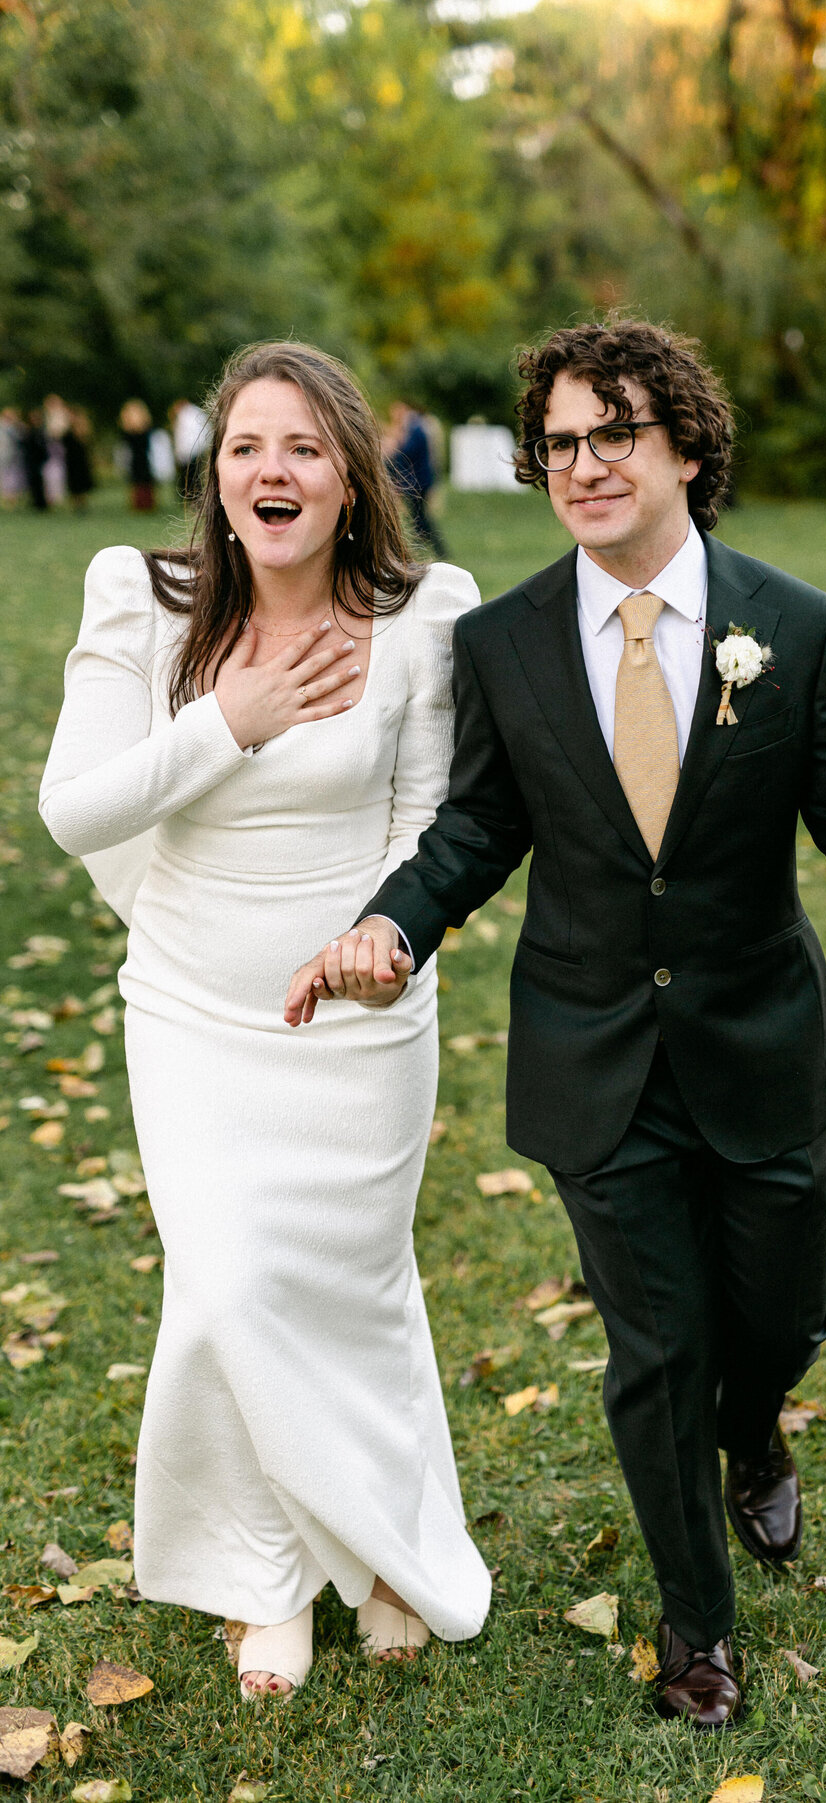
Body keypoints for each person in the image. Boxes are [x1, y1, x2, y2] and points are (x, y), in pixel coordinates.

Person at [284, 316, 826, 1729]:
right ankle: (698, 1627)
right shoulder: (506, 639)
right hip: (595, 1052)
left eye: (617, 433)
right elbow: (481, 820)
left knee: (777, 1317)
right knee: (656, 1344)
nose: (586, 464)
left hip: (760, 1044)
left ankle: (761, 1422)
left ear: (686, 447)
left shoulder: (793, 626)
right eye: (562, 443)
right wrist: (395, 924)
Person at [41, 340, 490, 1702]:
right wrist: (225, 719)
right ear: (217, 473)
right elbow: (76, 808)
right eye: (247, 445)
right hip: (190, 1013)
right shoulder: (148, 597)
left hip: (357, 1022)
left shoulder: (426, 613)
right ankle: (260, 1573)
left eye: (303, 447)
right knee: (225, 1291)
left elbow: (428, 818)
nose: (272, 469)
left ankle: (391, 1548)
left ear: (352, 479)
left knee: (356, 1290)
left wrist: (389, 944)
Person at [384, 399, 446, 557]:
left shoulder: (416, 428)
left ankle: (436, 549)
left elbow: (407, 451)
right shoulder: (414, 426)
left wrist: (395, 445)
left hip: (420, 481)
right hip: (417, 480)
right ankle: (422, 548)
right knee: (418, 516)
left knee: (421, 517)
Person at [170, 397, 212, 500]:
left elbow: (184, 437)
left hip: (191, 452)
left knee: (191, 476)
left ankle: (190, 496)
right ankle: (191, 496)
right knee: (192, 476)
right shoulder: (194, 413)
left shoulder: (186, 416)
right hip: (194, 450)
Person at [119, 398, 156, 511]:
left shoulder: (145, 429)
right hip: (135, 459)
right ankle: (139, 504)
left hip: (143, 458)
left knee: (145, 480)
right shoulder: (129, 431)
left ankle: (147, 503)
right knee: (136, 481)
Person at [62, 408, 95, 513]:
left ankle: (81, 503)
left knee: (80, 483)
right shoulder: (67, 432)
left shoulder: (82, 431)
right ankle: (76, 504)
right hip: (71, 461)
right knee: (73, 484)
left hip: (80, 461)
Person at [20, 408, 48, 511]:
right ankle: (36, 502)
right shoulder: (29, 432)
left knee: (39, 482)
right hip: (31, 460)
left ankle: (41, 503)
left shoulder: (39, 432)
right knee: (33, 482)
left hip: (38, 460)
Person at [0, 407, 26, 509]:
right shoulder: (2, 427)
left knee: (15, 478)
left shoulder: (18, 427)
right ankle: (7, 499)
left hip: (15, 456)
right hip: (4, 456)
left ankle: (13, 499)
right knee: (5, 478)